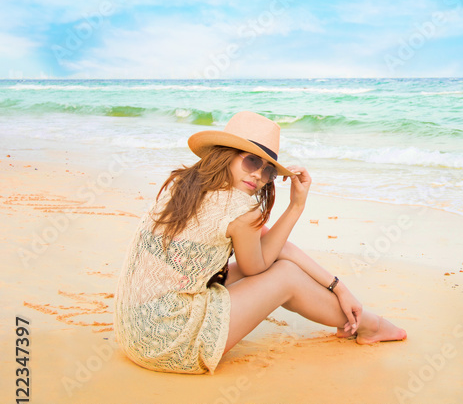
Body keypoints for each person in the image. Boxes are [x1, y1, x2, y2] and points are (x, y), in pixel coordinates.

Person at [113, 111, 406, 375]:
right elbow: (258, 267)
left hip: (134, 329)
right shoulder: (241, 210)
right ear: (226, 154)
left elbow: (279, 250)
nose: (258, 174)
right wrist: (296, 207)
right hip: (168, 342)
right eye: (251, 160)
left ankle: (360, 320)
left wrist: (339, 287)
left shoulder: (183, 185)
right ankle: (368, 324)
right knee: (286, 277)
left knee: (277, 265)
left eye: (268, 170)